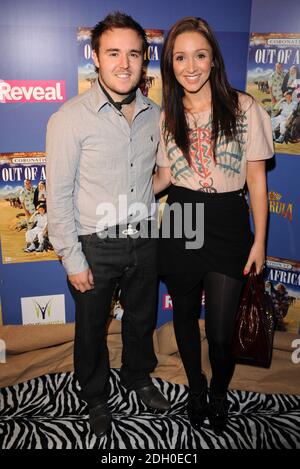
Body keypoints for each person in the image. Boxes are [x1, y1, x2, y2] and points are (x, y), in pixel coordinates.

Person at [46, 11, 170, 438]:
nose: (124, 63)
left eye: (134, 54)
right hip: (95, 244)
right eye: (113, 52)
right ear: (95, 57)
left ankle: (138, 376)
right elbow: (57, 195)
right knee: (91, 328)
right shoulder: (70, 119)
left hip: (144, 237)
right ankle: (95, 395)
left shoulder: (155, 113)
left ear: (143, 60)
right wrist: (71, 258)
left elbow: (151, 178)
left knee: (141, 317)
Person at [153, 17, 273, 434]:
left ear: (213, 60)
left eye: (199, 55)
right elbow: (165, 177)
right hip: (182, 216)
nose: (190, 66)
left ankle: (220, 390)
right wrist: (120, 188)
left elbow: (257, 179)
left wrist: (259, 241)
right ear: (170, 64)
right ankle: (197, 388)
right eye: (180, 57)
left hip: (227, 220)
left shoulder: (245, 108)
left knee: (221, 335)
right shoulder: (166, 114)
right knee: (184, 316)